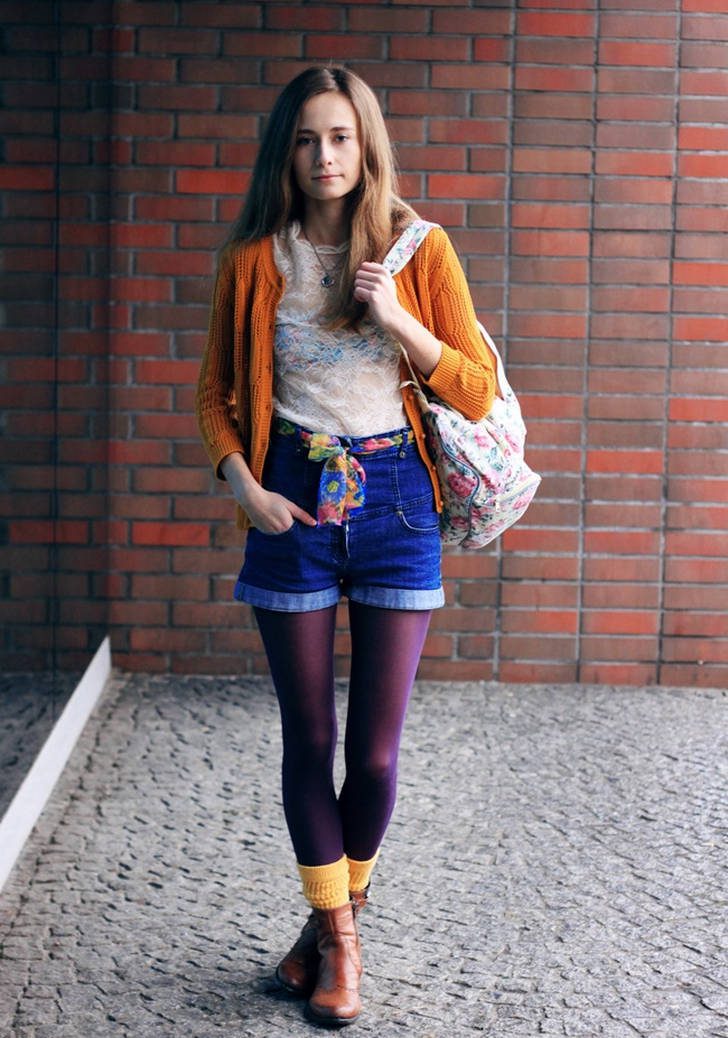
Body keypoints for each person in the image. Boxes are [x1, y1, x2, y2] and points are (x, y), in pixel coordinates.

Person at [196, 65, 497, 1027]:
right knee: (310, 740)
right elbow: (215, 395)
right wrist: (245, 487)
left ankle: (329, 929)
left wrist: (398, 317)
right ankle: (344, 944)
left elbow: (476, 388)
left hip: (398, 507)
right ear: (284, 153)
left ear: (366, 145)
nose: (324, 157)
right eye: (305, 139)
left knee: (371, 754)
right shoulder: (255, 260)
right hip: (291, 500)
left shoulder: (421, 248)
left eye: (340, 137)